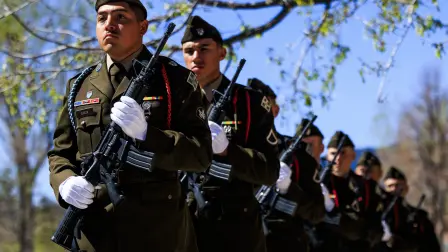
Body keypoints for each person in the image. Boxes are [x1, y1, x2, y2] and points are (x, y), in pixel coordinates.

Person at [48, 1, 212, 251]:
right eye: (102, 18)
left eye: (121, 18)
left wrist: (148, 135)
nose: (109, 25)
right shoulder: (79, 85)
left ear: (143, 27)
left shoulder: (174, 80)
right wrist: (65, 183)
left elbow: (201, 156)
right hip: (95, 231)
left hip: (157, 232)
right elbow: (61, 154)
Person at [181, 16, 280, 252]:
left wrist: (229, 151)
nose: (196, 57)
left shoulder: (250, 102)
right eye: (189, 50)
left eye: (204, 48)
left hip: (235, 230)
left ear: (222, 53)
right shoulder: (174, 101)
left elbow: (269, 171)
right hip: (182, 226)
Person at [248, 78, 325, 252]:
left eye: (264, 105)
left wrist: (290, 188)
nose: (257, 110)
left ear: (275, 110)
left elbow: (317, 212)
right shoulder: (226, 145)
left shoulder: (296, 153)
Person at [312, 131, 386, 252]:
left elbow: (374, 230)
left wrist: (333, 215)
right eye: (333, 153)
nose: (338, 158)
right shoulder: (318, 181)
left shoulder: (366, 187)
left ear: (353, 156)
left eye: (343, 153)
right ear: (326, 156)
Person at [380, 167, 441, 252]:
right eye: (390, 186)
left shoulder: (419, 217)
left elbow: (431, 246)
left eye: (398, 185)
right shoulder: (378, 212)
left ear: (406, 188)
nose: (394, 189)